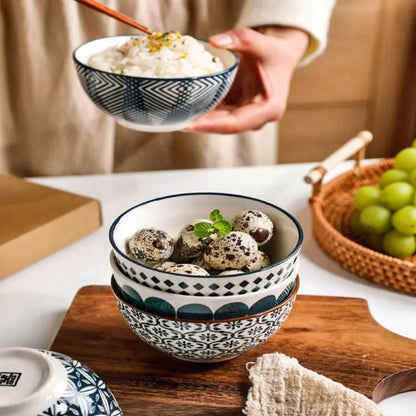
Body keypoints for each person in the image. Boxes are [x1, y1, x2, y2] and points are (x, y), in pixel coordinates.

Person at [0, 0, 336, 176]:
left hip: (217, 18)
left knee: (207, 217)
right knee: (52, 211)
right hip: (40, 34)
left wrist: (282, 31)